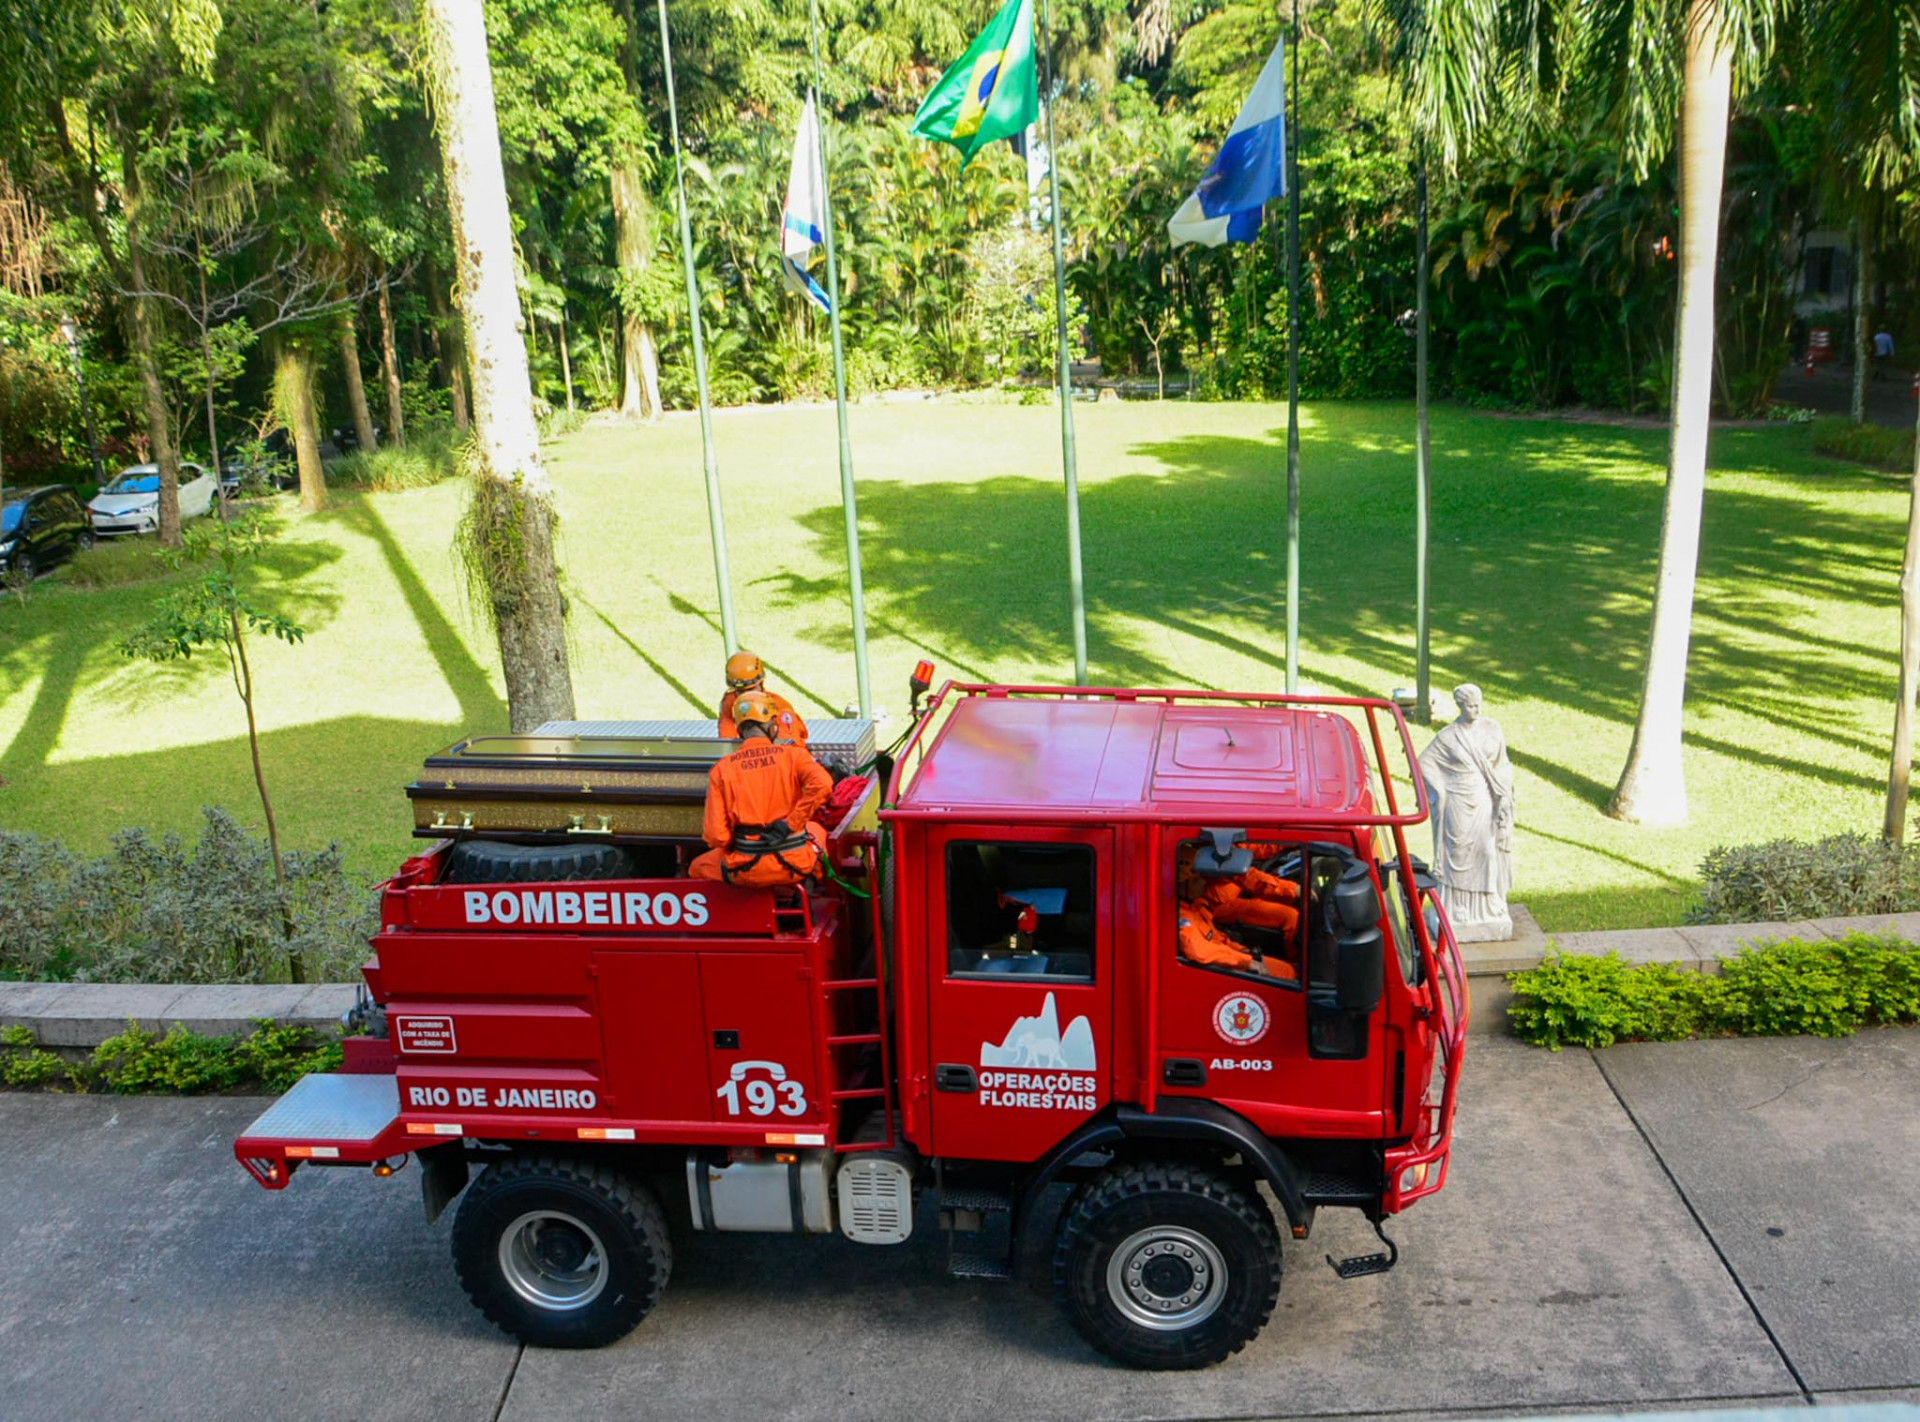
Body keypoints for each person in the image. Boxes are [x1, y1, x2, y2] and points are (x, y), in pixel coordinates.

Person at [690, 691, 833, 887]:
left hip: (744, 869)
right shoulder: (794, 756)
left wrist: (741, 843)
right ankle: (809, 885)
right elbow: (823, 784)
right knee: (818, 831)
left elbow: (717, 836)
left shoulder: (721, 770)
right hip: (795, 865)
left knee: (696, 867)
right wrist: (791, 824)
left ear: (739, 730)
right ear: (772, 726)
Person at [1417, 682, 1515, 941]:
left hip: (1484, 799)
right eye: (1471, 706)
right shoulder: (1449, 736)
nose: (1476, 710)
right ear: (1460, 706)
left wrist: (1504, 794)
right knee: (1458, 855)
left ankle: (1488, 903)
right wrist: (1441, 790)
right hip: (1458, 802)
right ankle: (1457, 907)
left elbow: (1502, 764)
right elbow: (1423, 763)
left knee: (1485, 850)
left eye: (1479, 705)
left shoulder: (1492, 729)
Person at [718, 651, 807, 744]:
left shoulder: (780, 707)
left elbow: (790, 747)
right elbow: (727, 742)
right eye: (740, 691)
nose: (746, 696)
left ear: (761, 683)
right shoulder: (731, 703)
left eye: (750, 689)